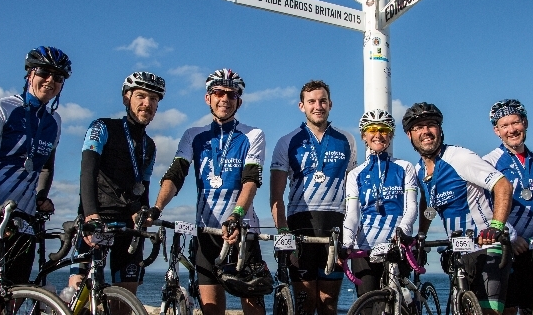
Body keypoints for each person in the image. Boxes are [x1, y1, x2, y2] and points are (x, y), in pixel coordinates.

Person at [0, 46, 71, 305]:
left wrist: (41, 195)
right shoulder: (0, 108)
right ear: (30, 73)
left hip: (22, 215)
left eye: (58, 76)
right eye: (45, 72)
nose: (51, 80)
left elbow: (45, 167)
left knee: (14, 297)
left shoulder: (55, 122)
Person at [149, 68, 267, 315]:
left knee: (253, 309)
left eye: (231, 94)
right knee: (211, 309)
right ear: (208, 98)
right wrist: (157, 207)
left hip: (241, 231)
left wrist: (235, 214)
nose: (224, 98)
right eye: (218, 93)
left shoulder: (253, 135)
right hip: (206, 233)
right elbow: (175, 174)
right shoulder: (193, 135)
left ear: (239, 101)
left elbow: (251, 180)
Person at [403, 102, 514, 315]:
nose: (426, 131)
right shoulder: (418, 170)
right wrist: (422, 235)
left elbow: (502, 185)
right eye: (418, 127)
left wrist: (496, 226)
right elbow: (429, 205)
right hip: (459, 253)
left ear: (440, 129)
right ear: (409, 135)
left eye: (431, 125)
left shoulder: (459, 158)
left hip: (487, 248)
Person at [67, 71, 165, 297]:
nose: (147, 103)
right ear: (126, 98)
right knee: (79, 292)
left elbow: (144, 187)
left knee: (127, 297)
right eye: (141, 96)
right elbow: (87, 172)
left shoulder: (149, 146)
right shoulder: (101, 127)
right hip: (98, 219)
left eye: (154, 99)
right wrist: (90, 214)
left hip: (129, 226)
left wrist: (144, 214)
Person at [270, 80, 357, 315]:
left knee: (328, 303)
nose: (317, 106)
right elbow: (276, 195)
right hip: (300, 224)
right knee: (304, 303)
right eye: (311, 101)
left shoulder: (347, 139)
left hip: (335, 224)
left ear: (330, 104)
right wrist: (283, 233)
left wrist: (350, 233)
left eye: (322, 101)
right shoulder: (287, 141)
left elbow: (353, 193)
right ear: (302, 106)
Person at [341, 109, 418, 297]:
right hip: (365, 246)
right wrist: (346, 242)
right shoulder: (355, 174)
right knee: (368, 304)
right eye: (372, 129)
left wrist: (404, 230)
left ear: (390, 134)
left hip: (397, 242)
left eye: (383, 129)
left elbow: (411, 206)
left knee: (403, 301)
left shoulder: (404, 167)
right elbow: (352, 213)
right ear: (364, 135)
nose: (378, 134)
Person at [483, 99, 533, 315]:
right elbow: (486, 208)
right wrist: (511, 236)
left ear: (525, 123)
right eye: (505, 125)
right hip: (507, 248)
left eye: (516, 123)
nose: (512, 130)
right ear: (496, 130)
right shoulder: (489, 161)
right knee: (508, 309)